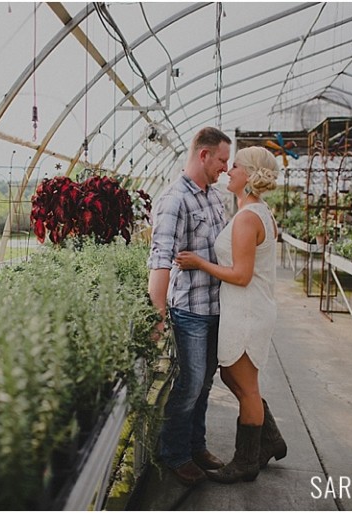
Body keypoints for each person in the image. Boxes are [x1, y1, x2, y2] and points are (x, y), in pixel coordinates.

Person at [175, 146, 287, 484]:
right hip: (247, 308)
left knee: (247, 386)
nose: (229, 171)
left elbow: (241, 274)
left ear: (250, 175)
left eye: (235, 166)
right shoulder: (256, 212)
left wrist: (199, 263)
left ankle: (246, 462)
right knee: (233, 377)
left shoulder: (248, 217)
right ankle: (269, 439)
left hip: (248, 310)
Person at [147, 126, 231, 486]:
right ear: (204, 155)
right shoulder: (174, 199)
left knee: (206, 383)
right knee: (190, 383)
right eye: (222, 160)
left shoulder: (213, 196)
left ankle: (197, 446)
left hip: (216, 308)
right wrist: (158, 315)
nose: (225, 168)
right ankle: (175, 453)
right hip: (190, 312)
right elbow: (161, 258)